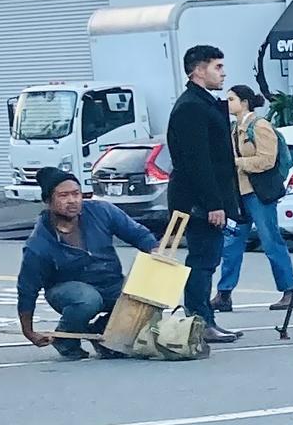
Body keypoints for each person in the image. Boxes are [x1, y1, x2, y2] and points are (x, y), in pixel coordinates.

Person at [16, 169, 151, 355]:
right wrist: (28, 331)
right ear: (48, 201)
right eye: (63, 195)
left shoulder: (102, 211)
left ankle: (101, 329)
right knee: (88, 299)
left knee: (149, 292)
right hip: (68, 291)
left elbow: (138, 234)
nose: (72, 200)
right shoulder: (39, 244)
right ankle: (65, 339)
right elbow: (27, 289)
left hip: (110, 283)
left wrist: (155, 250)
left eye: (76, 194)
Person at [164, 44, 244, 342]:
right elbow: (197, 161)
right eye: (217, 67)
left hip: (208, 197)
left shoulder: (205, 102)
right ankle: (199, 320)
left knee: (207, 260)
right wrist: (214, 203)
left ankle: (205, 319)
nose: (223, 73)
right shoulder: (191, 106)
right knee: (202, 260)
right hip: (197, 201)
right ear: (198, 70)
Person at [216, 87, 293, 314]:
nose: (228, 102)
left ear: (244, 102)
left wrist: (237, 162)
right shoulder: (235, 128)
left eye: (232, 99)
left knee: (271, 240)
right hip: (239, 193)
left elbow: (266, 160)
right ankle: (224, 293)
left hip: (258, 192)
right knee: (232, 242)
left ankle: (290, 290)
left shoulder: (260, 126)